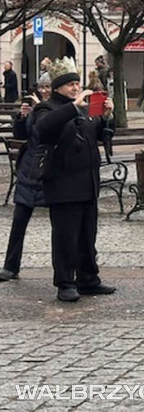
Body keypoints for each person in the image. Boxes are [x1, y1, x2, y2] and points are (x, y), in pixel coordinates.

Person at [33, 57, 116, 302]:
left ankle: (88, 278)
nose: (76, 88)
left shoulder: (84, 108)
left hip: (88, 184)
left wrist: (106, 119)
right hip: (63, 184)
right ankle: (65, 283)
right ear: (58, 87)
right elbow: (44, 128)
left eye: (77, 83)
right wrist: (74, 107)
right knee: (65, 237)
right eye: (70, 84)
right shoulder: (47, 108)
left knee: (87, 235)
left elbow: (97, 135)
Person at [0, 75, 52, 282]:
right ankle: (11, 266)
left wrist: (40, 110)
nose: (45, 91)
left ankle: (68, 270)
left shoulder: (56, 108)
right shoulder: (35, 108)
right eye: (42, 87)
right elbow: (23, 134)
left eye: (48, 87)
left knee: (62, 224)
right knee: (19, 219)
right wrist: (21, 118)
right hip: (30, 170)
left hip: (51, 172)